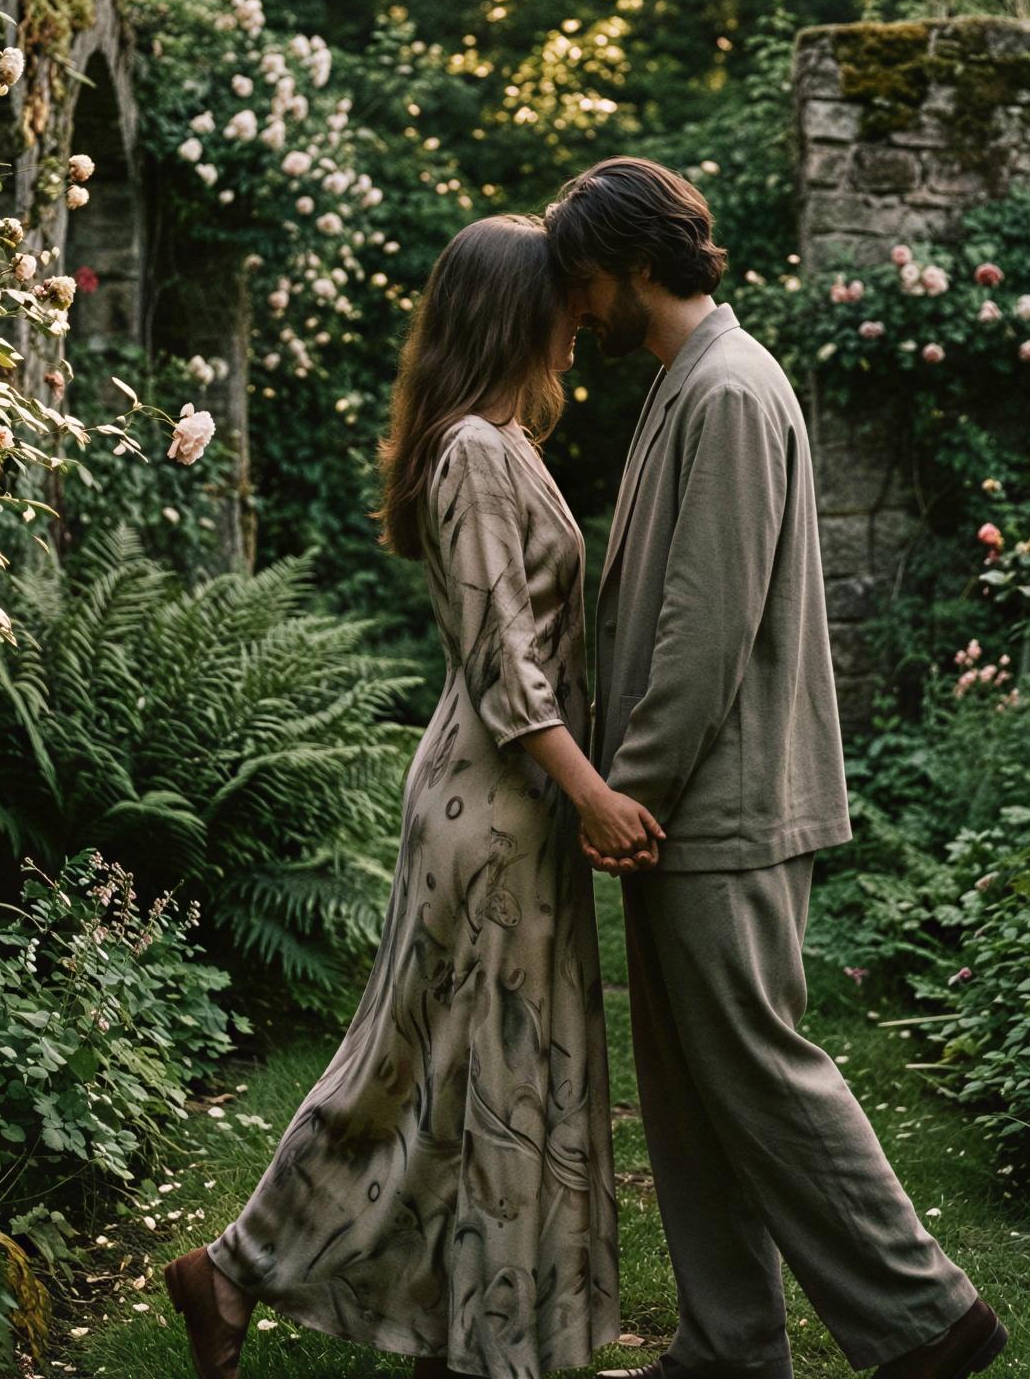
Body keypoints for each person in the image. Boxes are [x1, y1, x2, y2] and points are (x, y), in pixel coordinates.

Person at [163, 213, 659, 1379]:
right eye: (565, 297)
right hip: (496, 803)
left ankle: (455, 1327)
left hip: (505, 801)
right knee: (426, 1068)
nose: (584, 312)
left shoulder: (493, 439)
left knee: (458, 1071)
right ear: (514, 310)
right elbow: (502, 662)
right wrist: (592, 792)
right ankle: (233, 1268)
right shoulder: (477, 455)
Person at [544, 157, 1008, 1379]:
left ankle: (925, 1318)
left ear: (639, 262)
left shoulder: (730, 391)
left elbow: (705, 621)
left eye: (586, 278)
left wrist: (628, 787)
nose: (576, 305)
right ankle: (729, 1346)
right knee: (695, 1094)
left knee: (757, 1063)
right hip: (692, 798)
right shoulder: (684, 381)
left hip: (719, 798)